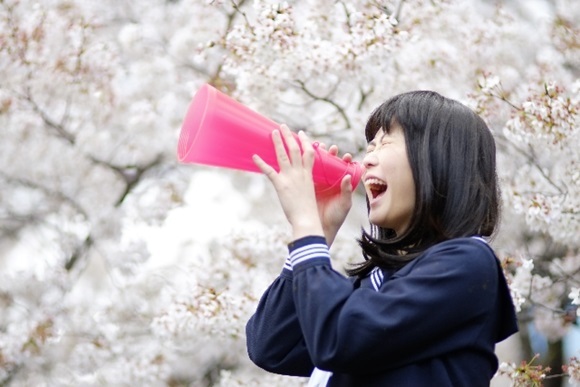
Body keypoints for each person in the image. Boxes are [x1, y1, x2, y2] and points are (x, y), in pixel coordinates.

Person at [246, 90, 519, 386]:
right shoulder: (376, 284)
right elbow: (272, 345)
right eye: (370, 146)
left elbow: (340, 338)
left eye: (385, 142)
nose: (367, 160)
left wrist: (305, 225)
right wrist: (320, 233)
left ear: (440, 160)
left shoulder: (467, 263)